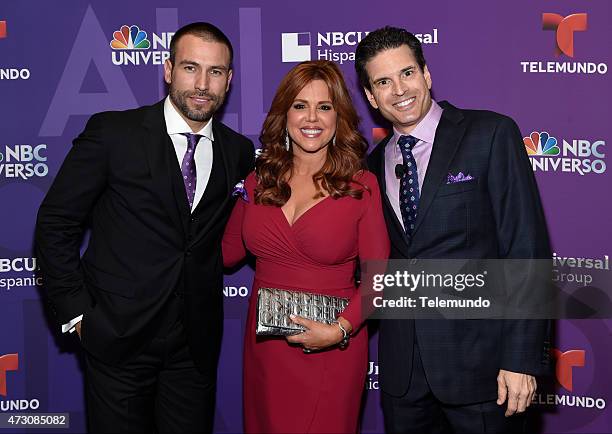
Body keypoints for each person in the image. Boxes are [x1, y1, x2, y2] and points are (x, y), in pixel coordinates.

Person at [35, 22, 254, 433]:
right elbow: (56, 223)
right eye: (191, 68)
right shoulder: (114, 133)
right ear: (169, 70)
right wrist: (78, 314)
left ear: (229, 80)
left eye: (216, 72)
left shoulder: (237, 151)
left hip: (194, 346)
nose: (203, 83)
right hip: (117, 336)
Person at [355, 27, 551, 433]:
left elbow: (525, 250)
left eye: (407, 73)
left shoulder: (490, 134)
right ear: (372, 97)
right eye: (383, 82)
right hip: (403, 377)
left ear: (426, 75)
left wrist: (520, 359)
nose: (399, 89)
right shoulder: (369, 168)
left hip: (484, 371)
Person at [222, 60, 390, 433]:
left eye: (324, 106)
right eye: (300, 105)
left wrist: (340, 330)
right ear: (284, 114)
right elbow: (226, 253)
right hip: (268, 346)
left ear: (339, 116)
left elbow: (379, 279)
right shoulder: (256, 182)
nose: (311, 117)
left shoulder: (361, 186)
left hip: (334, 345)